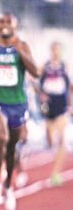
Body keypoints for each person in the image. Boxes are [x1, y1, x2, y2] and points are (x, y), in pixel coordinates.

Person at [0, 12, 39, 210]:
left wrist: (20, 52)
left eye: (8, 23)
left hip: (17, 104)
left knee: (11, 148)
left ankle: (8, 187)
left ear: (15, 26)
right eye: (1, 22)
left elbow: (35, 72)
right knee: (1, 138)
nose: (4, 25)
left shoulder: (22, 45)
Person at [38, 41, 71, 186]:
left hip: (61, 105)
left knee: (61, 138)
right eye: (54, 50)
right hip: (48, 105)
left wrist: (70, 105)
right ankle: (51, 147)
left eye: (58, 50)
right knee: (50, 138)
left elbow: (70, 87)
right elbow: (36, 83)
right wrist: (41, 95)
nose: (56, 52)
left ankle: (56, 173)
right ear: (51, 51)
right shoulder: (45, 66)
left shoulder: (65, 67)